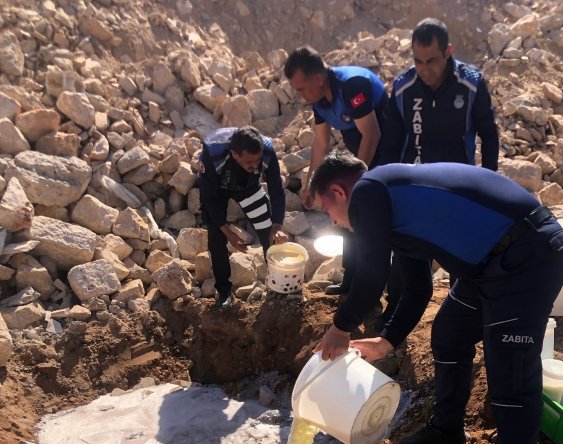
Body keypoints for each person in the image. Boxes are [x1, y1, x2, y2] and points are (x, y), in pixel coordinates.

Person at [310, 151, 563, 444]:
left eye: (328, 212)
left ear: (338, 191)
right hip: (487, 265)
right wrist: (388, 340)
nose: (333, 222)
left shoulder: (370, 190)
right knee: (449, 331)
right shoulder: (395, 206)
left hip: (525, 258)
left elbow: (372, 274)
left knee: (512, 385)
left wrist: (340, 327)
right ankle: (448, 425)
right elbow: (417, 288)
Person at [378, 18, 499, 331]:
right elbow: (390, 142)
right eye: (418, 61)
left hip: (458, 189)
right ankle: (394, 314)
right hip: (413, 187)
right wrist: (383, 188)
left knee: (462, 256)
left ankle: (464, 319)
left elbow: (489, 133)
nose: (425, 69)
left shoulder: (471, 84)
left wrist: (489, 183)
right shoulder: (403, 88)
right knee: (405, 255)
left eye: (431, 60)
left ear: (448, 52)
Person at [283, 46, 389, 294]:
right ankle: (351, 279)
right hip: (360, 154)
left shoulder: (351, 86)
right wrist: (311, 184)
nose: (300, 95)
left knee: (371, 220)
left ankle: (376, 289)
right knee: (345, 215)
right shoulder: (319, 100)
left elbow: (372, 134)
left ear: (318, 79)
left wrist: (357, 184)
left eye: (301, 88)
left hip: (386, 153)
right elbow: (321, 142)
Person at [198, 125, 287, 308]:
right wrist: (228, 232)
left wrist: (277, 226)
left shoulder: (267, 151)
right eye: (249, 162)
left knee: (267, 229)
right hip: (218, 189)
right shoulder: (212, 155)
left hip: (248, 186)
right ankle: (224, 292)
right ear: (234, 154)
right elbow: (209, 198)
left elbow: (277, 190)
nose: (255, 166)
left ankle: (278, 284)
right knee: (216, 236)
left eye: (257, 161)